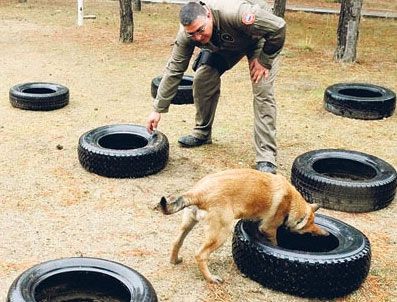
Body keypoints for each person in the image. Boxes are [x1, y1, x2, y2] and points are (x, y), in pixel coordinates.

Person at [146, 0, 286, 174]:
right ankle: (202, 133)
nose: (197, 37)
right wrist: (157, 108)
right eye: (192, 34)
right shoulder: (187, 34)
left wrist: (264, 60)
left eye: (200, 30)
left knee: (262, 90)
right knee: (203, 76)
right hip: (226, 42)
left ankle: (266, 157)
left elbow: (278, 27)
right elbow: (174, 68)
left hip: (260, 39)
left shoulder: (236, 13)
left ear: (208, 15)